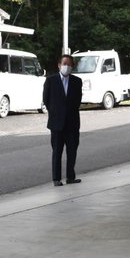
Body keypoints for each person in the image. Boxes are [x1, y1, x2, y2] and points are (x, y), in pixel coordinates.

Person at [43, 54, 83, 186]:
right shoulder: (51, 80)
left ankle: (70, 177)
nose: (67, 66)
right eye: (64, 64)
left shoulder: (77, 81)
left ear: (72, 66)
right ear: (59, 65)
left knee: (72, 151)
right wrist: (55, 112)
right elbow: (46, 99)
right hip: (56, 123)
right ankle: (56, 178)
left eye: (69, 64)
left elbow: (77, 101)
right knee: (57, 151)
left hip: (72, 122)